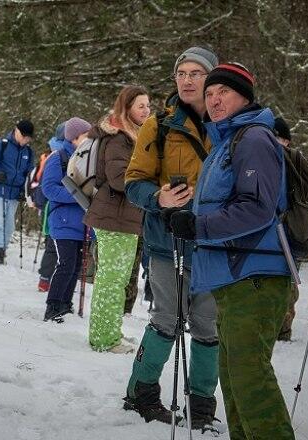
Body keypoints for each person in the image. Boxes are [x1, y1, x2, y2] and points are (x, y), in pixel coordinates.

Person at [167, 62, 296, 439]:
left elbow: (257, 208)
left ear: (245, 97)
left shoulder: (254, 139)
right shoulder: (226, 143)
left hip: (255, 277)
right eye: (209, 94)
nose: (214, 99)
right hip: (234, 278)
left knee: (250, 380)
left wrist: (200, 226)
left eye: (223, 91)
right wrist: (186, 217)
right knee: (236, 381)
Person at [122, 46, 220, 429]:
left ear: (212, 78)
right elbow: (133, 183)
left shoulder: (227, 124)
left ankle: (202, 407)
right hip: (167, 242)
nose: (188, 80)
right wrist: (159, 197)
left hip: (213, 243)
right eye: (182, 73)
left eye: (197, 73)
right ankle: (140, 393)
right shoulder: (158, 125)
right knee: (167, 318)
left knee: (208, 326)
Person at [85, 85, 151, 353]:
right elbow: (118, 178)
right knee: (111, 280)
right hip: (114, 216)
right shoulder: (119, 138)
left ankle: (111, 331)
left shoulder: (132, 136)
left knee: (118, 279)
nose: (146, 111)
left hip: (123, 217)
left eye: (148, 106)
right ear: (127, 109)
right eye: (140, 106)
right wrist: (148, 180)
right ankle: (103, 338)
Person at [40, 117, 92, 321]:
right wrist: (77, 197)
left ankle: (65, 303)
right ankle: (53, 306)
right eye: (86, 137)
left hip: (81, 223)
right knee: (67, 263)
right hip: (62, 220)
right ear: (74, 138)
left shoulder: (87, 160)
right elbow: (49, 189)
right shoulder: (58, 157)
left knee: (76, 265)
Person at [0, 120, 35, 264]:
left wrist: (25, 191)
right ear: (17, 131)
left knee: (9, 225)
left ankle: (2, 249)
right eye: (24, 136)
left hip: (14, 193)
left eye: (28, 138)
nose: (26, 140)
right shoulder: (1, 144)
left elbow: (30, 174)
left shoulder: (28, 152)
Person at [271, 116, 301, 341]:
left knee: (287, 284)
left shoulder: (293, 164)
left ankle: (283, 330)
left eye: (279, 138)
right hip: (272, 234)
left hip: (289, 233)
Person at [31, 123, 69, 291]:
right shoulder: (58, 155)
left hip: (49, 205)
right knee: (54, 244)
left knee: (52, 244)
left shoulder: (52, 153)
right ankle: (47, 279)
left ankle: (46, 278)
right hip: (53, 204)